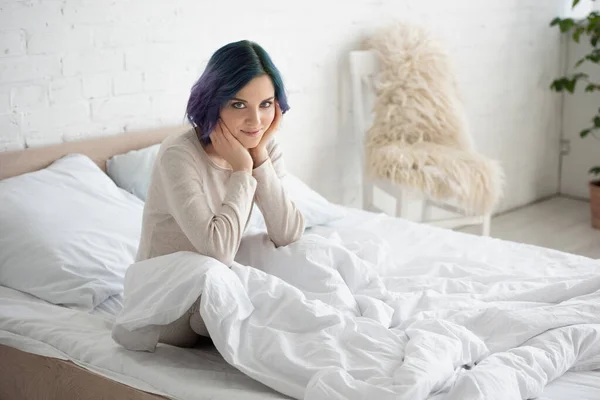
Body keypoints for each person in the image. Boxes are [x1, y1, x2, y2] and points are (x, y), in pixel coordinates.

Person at [136, 40, 305, 346]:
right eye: (239, 104)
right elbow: (217, 250)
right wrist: (242, 169)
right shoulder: (178, 154)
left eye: (266, 104)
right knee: (266, 305)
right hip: (168, 301)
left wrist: (259, 160)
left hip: (216, 283)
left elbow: (288, 234)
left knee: (304, 261)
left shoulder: (263, 147)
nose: (256, 122)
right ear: (214, 102)